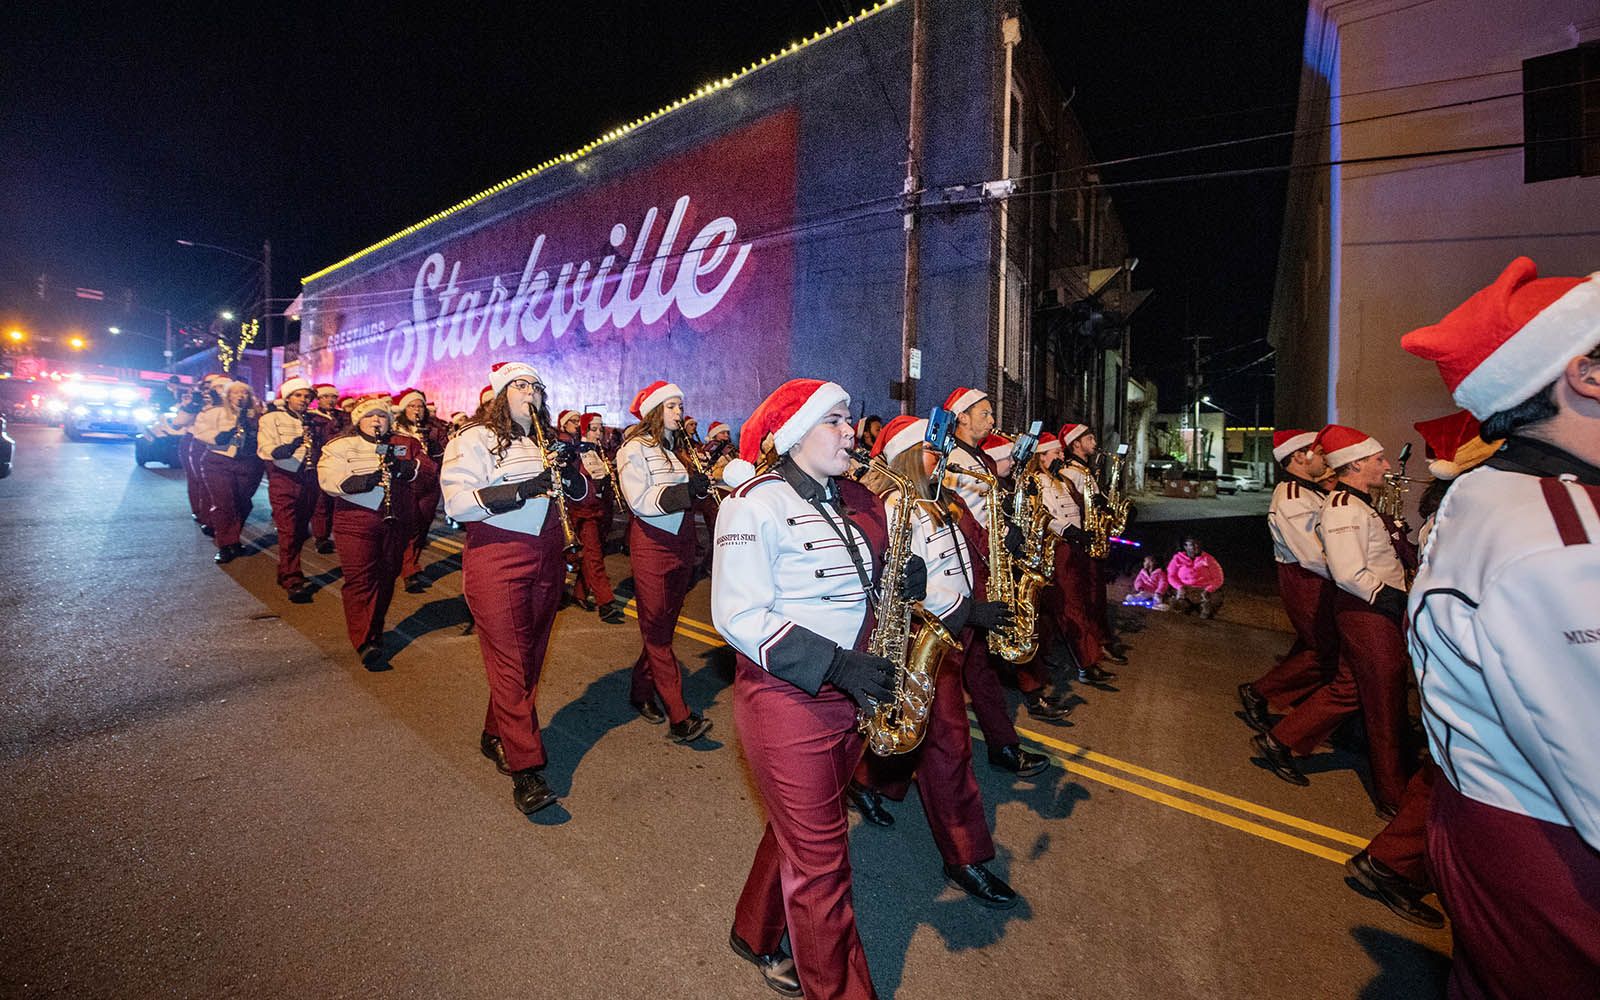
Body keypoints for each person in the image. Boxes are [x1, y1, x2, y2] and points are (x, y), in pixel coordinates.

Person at [1399, 256, 1600, 997]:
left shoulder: (1510, 502)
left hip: (1505, 825)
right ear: (1585, 374)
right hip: (1554, 854)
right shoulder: (1555, 541)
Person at [713, 378, 896, 999]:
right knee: (823, 868)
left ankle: (754, 931)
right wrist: (836, 666)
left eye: (851, 420)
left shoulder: (849, 497)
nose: (852, 432)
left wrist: (908, 583)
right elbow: (738, 615)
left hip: (849, 696)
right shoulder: (753, 503)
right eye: (836, 421)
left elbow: (863, 589)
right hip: (785, 702)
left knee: (799, 828)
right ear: (794, 435)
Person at [849, 415, 1020, 908]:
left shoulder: (940, 501)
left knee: (917, 735)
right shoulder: (896, 508)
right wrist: (969, 612)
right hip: (920, 637)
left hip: (949, 633)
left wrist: (998, 554)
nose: (941, 455)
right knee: (951, 747)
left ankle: (865, 781)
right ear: (905, 456)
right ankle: (965, 856)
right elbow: (901, 590)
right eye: (930, 449)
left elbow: (965, 561)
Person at [441, 362, 585, 814]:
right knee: (509, 662)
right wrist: (526, 488)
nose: (531, 392)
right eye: (520, 385)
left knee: (528, 658)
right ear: (501, 394)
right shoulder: (472, 438)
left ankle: (495, 733)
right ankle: (526, 769)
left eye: (537, 386)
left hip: (546, 554)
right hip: (496, 556)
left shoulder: (546, 443)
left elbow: (579, 497)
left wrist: (573, 467)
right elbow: (458, 504)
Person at [1252, 424, 1416, 816]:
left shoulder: (1352, 503)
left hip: (1367, 609)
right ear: (1357, 462)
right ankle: (1393, 793)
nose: (1386, 464)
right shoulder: (1343, 506)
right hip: (1367, 611)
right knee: (1384, 701)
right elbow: (1345, 571)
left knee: (1351, 688)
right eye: (1378, 459)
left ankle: (1281, 740)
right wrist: (1392, 598)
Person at [940, 386, 1054, 771]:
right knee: (951, 672)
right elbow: (960, 520)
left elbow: (990, 510)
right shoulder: (952, 459)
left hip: (987, 564)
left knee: (977, 666)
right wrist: (1002, 536)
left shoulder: (981, 458)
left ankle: (1002, 745)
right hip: (964, 569)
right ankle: (875, 777)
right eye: (985, 413)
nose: (992, 420)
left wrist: (1010, 531)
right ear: (962, 417)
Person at [617, 380, 713, 742]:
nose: (679, 412)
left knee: (663, 627)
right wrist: (685, 491)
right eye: (671, 406)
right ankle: (679, 714)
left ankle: (641, 691)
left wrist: (700, 488)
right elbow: (639, 500)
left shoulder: (675, 451)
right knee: (657, 629)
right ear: (655, 411)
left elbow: (688, 497)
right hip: (653, 545)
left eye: (680, 406)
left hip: (682, 542)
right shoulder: (634, 449)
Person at [316, 395, 430, 668]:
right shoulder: (341, 445)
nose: (376, 420)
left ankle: (374, 630)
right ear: (358, 420)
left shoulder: (404, 443)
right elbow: (328, 478)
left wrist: (407, 469)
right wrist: (365, 481)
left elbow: (428, 471)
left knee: (387, 577)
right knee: (360, 579)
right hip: (355, 521)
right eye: (370, 415)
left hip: (394, 520)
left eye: (382, 416)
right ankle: (364, 640)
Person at [1238, 429, 1336, 732]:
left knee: (1316, 645)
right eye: (1318, 452)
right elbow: (1311, 555)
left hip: (1316, 577)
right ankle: (1259, 692)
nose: (1325, 459)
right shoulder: (1293, 497)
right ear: (1297, 456)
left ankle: (1292, 700)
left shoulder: (1311, 491)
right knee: (1325, 650)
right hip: (1306, 578)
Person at [256, 377, 327, 602]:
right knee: (287, 529)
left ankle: (286, 570)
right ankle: (292, 578)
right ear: (287, 397)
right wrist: (297, 442)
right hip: (283, 478)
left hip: (309, 479)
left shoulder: (316, 420)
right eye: (298, 395)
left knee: (299, 530)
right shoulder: (271, 418)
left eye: (307, 396)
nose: (303, 400)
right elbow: (268, 450)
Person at [192, 380, 266, 564]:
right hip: (219, 460)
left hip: (248, 462)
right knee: (223, 502)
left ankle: (234, 538)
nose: (241, 396)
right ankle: (225, 544)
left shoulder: (256, 415)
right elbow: (200, 430)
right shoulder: (216, 412)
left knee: (243, 503)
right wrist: (219, 437)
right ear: (228, 395)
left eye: (245, 393)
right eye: (236, 393)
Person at [393, 387, 450, 593]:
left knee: (422, 525)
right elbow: (383, 450)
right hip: (404, 483)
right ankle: (409, 569)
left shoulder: (434, 430)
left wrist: (432, 446)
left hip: (429, 484)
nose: (417, 410)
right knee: (407, 525)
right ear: (403, 409)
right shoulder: (394, 428)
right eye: (412, 406)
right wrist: (408, 453)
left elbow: (444, 456)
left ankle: (411, 561)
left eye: (420, 406)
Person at [571, 412, 626, 623]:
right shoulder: (578, 452)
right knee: (593, 556)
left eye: (600, 429)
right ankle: (606, 603)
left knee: (594, 554)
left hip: (600, 508)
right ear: (585, 430)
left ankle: (579, 593)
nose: (598, 433)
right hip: (584, 511)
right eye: (593, 429)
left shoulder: (599, 451)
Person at [310, 383, 346, 554]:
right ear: (318, 399)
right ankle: (322, 537)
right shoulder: (312, 418)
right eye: (325, 397)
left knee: (340, 501)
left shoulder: (345, 417)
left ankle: (340, 535)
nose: (330, 400)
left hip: (342, 464)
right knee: (321, 502)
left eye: (333, 397)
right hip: (321, 463)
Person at [1166, 536, 1225, 618]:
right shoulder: (1177, 558)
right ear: (1185, 546)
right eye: (1192, 544)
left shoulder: (1208, 558)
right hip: (1185, 589)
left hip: (1204, 589)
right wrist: (1179, 587)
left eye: (1197, 544)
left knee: (1209, 609)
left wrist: (1208, 590)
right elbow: (1171, 575)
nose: (1196, 546)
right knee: (1177, 609)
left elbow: (1219, 578)